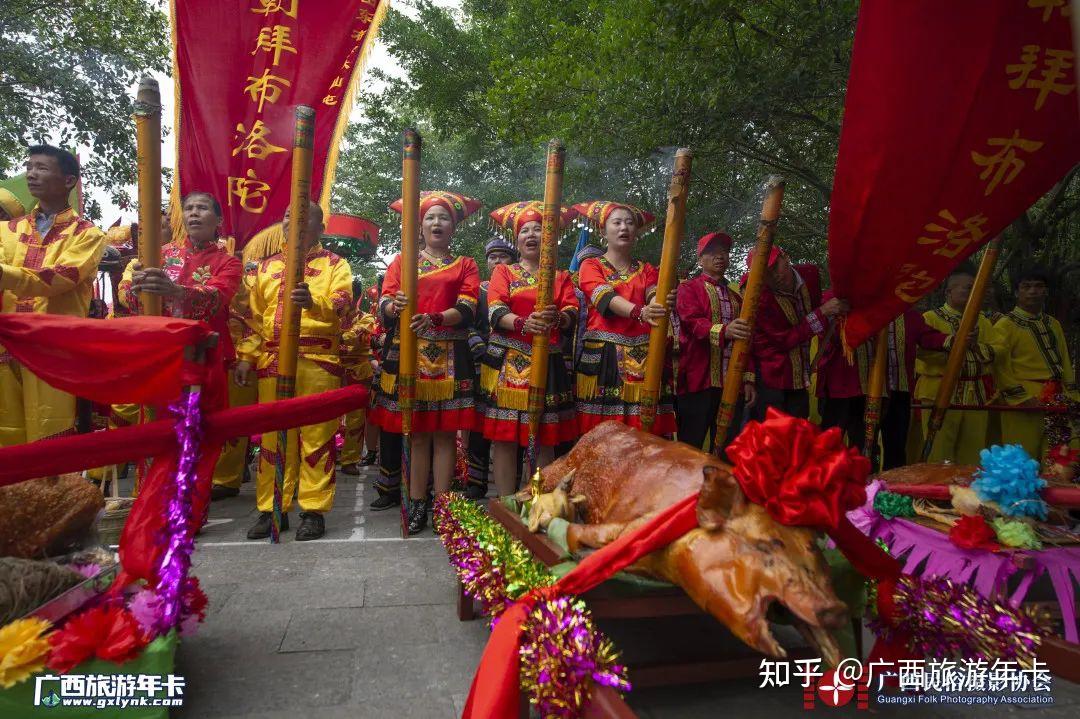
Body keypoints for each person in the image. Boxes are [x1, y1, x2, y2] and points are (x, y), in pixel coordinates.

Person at [236, 202, 352, 541]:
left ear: (320, 226)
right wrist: (246, 356)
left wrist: (313, 304)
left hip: (318, 361)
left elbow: (344, 308)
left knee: (317, 438)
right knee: (272, 440)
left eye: (305, 216)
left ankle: (314, 510)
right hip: (273, 362)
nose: (294, 221)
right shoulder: (262, 268)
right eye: (288, 215)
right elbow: (251, 318)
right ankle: (272, 506)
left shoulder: (335, 265)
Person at [368, 190, 482, 535]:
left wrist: (434, 319)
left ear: (453, 226)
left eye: (443, 217)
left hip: (450, 352)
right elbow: (385, 304)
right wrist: (396, 306)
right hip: (409, 353)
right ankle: (416, 500)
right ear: (419, 226)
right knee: (416, 434)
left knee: (446, 435)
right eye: (430, 217)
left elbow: (468, 308)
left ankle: (443, 504)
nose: (437, 222)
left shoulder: (466, 264)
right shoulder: (403, 261)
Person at [0, 145, 106, 446]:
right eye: (29, 166)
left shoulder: (87, 234)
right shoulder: (7, 230)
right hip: (5, 345)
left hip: (53, 349)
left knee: (50, 434)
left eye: (42, 168)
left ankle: (53, 494)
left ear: (69, 180)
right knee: (5, 433)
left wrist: (5, 275)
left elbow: (60, 278)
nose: (32, 174)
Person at [479, 202, 578, 496]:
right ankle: (507, 502)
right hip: (509, 363)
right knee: (505, 438)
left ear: (551, 237)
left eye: (540, 229)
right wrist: (525, 323)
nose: (532, 234)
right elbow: (495, 310)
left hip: (548, 362)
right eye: (525, 230)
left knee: (545, 437)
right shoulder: (504, 273)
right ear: (516, 239)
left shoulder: (561, 277)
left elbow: (572, 310)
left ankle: (537, 502)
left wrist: (557, 318)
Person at [573, 200, 676, 435]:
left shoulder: (647, 269)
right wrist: (641, 312)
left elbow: (653, 293)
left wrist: (658, 304)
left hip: (644, 358)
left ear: (636, 232)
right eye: (617, 222)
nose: (624, 228)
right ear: (603, 231)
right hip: (604, 356)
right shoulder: (590, 265)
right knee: (602, 433)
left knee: (644, 432)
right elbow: (604, 298)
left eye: (629, 223)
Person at [674, 231, 755, 452]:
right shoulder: (688, 288)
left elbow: (747, 341)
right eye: (712, 253)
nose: (720, 257)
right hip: (697, 381)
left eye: (724, 253)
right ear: (700, 259)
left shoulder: (737, 298)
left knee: (727, 448)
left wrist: (748, 379)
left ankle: (720, 486)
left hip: (731, 384)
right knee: (690, 447)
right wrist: (725, 331)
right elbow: (692, 322)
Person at [914, 264, 1001, 465]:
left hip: (976, 395)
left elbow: (998, 351)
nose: (974, 292)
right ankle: (936, 495)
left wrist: (974, 347)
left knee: (973, 455)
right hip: (938, 390)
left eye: (977, 288)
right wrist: (954, 345)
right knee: (938, 452)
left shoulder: (984, 322)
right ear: (949, 292)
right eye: (969, 288)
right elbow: (921, 354)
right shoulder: (930, 318)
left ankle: (968, 495)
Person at [747, 246, 845, 422]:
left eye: (775, 267)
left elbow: (814, 308)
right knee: (774, 436)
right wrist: (822, 313)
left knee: (798, 432)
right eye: (765, 274)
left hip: (801, 374)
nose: (774, 276)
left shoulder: (810, 274)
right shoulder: (760, 299)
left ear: (786, 257)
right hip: (772, 376)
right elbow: (784, 339)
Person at [994, 268, 1078, 460]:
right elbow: (999, 367)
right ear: (1016, 292)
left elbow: (1064, 359)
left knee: (1062, 456)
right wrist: (1021, 397)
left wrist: (1071, 395)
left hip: (1057, 397)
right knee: (1022, 457)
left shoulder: (1052, 323)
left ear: (1046, 291)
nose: (1033, 291)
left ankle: (1058, 489)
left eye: (1039, 286)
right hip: (1024, 397)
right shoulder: (1005, 325)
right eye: (1026, 287)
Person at [465, 238, 519, 499]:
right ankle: (476, 480)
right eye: (493, 257)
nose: (497, 261)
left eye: (503, 257)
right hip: (483, 362)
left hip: (513, 361)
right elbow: (469, 324)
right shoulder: (479, 290)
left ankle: (512, 481)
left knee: (510, 423)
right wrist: (479, 351)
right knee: (479, 423)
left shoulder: (517, 286)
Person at [208, 259, 259, 499]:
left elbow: (256, 322)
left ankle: (226, 477)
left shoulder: (252, 276)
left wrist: (246, 356)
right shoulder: (179, 259)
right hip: (200, 353)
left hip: (238, 355)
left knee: (234, 420)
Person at [878, 310, 950, 470]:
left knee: (896, 445)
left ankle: (892, 489)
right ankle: (862, 487)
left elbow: (926, 337)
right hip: (865, 390)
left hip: (899, 389)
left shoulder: (907, 314)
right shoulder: (863, 309)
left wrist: (952, 340)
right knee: (865, 443)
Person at [338, 281, 378, 475]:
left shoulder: (367, 318)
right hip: (332, 368)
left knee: (355, 418)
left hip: (357, 370)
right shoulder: (331, 317)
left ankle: (349, 459)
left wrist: (333, 335)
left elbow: (354, 335)